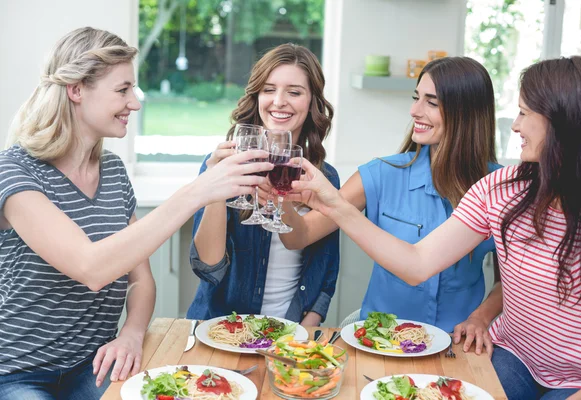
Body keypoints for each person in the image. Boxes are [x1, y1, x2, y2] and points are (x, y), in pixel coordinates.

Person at [288, 55, 581, 399]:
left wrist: (480, 317)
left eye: (524, 113)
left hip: (577, 376)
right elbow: (417, 263)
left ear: (561, 122)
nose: (514, 125)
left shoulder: (494, 181)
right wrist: (332, 203)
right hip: (515, 357)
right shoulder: (500, 189)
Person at [0, 27, 271, 399]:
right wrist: (197, 191)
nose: (135, 103)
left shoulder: (111, 171)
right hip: (17, 373)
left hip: (93, 364)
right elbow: (91, 268)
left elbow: (140, 280)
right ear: (76, 90)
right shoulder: (15, 170)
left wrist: (131, 333)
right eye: (122, 90)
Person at [279, 56, 502, 335]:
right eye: (416, 97)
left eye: (431, 102)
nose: (414, 110)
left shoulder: (500, 189)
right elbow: (298, 236)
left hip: (455, 344)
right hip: (381, 341)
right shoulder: (380, 174)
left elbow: (510, 281)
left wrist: (481, 318)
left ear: (466, 112)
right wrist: (280, 198)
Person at [186, 43, 340, 326]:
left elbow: (326, 267)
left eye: (294, 92)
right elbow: (208, 267)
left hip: (289, 329)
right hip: (223, 327)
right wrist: (214, 188)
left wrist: (305, 333)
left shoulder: (325, 178)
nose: (279, 101)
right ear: (257, 96)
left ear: (312, 102)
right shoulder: (221, 164)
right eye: (269, 90)